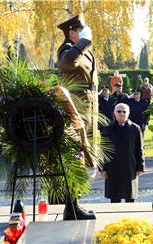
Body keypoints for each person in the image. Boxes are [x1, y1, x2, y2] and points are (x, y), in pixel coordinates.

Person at [57, 14, 97, 220]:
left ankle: (73, 206)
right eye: (79, 30)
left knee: (85, 158)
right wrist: (82, 43)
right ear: (71, 32)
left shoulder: (85, 52)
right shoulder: (67, 50)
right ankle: (71, 207)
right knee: (75, 159)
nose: (84, 33)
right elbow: (65, 64)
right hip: (75, 113)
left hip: (88, 114)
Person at [100, 103, 145, 203]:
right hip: (113, 167)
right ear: (114, 113)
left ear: (128, 114)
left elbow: (140, 149)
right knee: (115, 197)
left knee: (130, 197)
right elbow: (103, 150)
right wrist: (102, 169)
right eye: (119, 111)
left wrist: (140, 167)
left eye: (124, 111)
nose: (121, 114)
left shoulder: (135, 128)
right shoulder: (107, 129)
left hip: (130, 167)